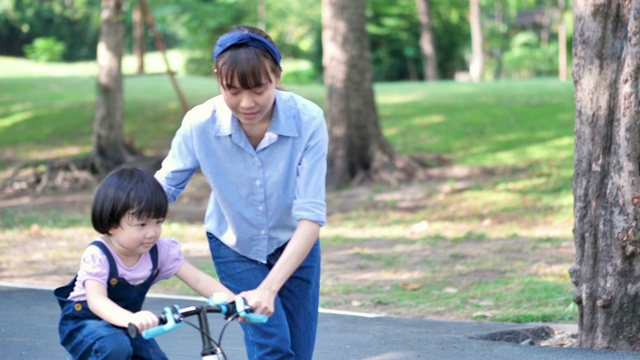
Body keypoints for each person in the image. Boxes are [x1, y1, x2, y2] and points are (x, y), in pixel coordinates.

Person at [154, 25, 328, 359]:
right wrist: (122, 218)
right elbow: (165, 186)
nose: (246, 103)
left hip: (295, 243)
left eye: (259, 89)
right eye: (232, 90)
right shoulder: (200, 123)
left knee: (298, 351)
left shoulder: (307, 120)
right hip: (235, 244)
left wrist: (269, 288)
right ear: (219, 80)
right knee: (272, 346)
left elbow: (310, 215)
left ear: (276, 76)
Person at [54, 167, 236, 360]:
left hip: (128, 323)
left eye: (158, 222)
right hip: (86, 322)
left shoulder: (160, 251)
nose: (152, 232)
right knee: (114, 347)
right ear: (112, 225)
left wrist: (235, 302)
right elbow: (97, 301)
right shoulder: (99, 254)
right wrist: (130, 318)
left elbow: (198, 279)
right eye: (142, 224)